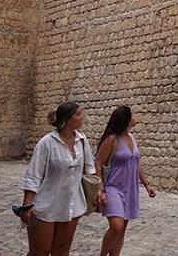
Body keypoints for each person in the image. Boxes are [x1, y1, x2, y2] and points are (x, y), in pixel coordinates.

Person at [18, 103, 96, 256]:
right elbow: (34, 175)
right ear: (67, 119)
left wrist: (98, 191)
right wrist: (27, 204)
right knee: (40, 251)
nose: (82, 117)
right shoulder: (47, 143)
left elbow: (90, 168)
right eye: (78, 114)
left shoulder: (81, 140)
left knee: (62, 250)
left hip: (71, 204)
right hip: (46, 205)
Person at [95, 106, 156, 256]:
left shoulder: (132, 137)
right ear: (126, 119)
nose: (135, 117)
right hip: (113, 188)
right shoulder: (112, 139)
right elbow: (97, 163)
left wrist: (147, 184)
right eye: (132, 115)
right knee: (116, 226)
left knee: (122, 229)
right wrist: (100, 189)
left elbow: (136, 162)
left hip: (130, 189)